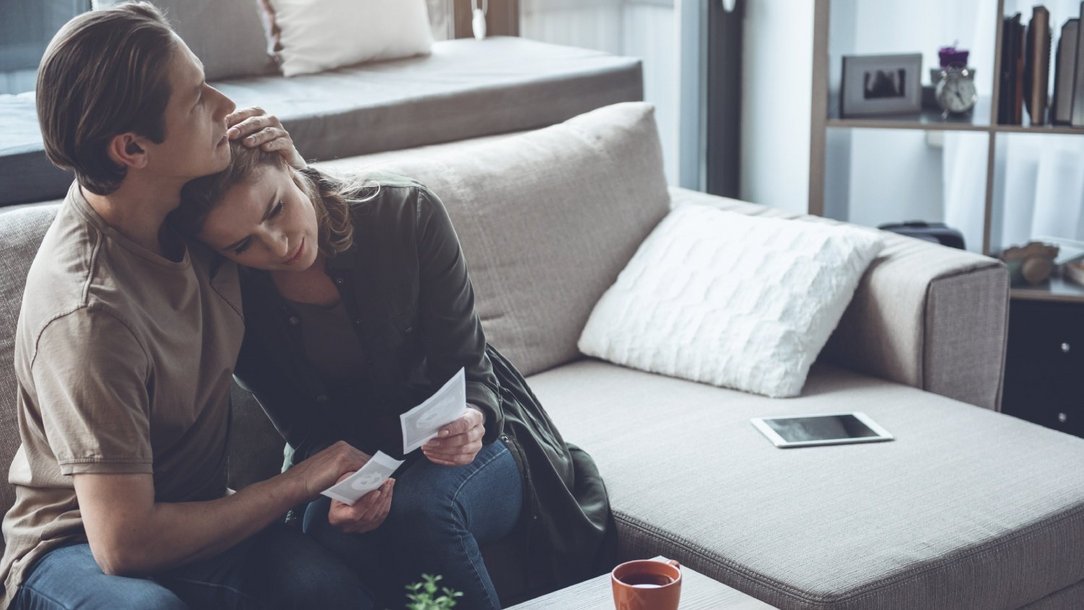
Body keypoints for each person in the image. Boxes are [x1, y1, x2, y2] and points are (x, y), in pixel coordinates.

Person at [0, 3, 383, 608]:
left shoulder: (199, 213)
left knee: (334, 590)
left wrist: (295, 175)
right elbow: (122, 545)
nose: (225, 106)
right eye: (194, 99)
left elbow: (341, 273)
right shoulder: (89, 311)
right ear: (131, 149)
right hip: (71, 549)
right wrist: (302, 480)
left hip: (197, 521)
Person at [171, 139, 617, 608]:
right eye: (244, 244)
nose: (277, 244)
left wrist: (470, 419)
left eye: (276, 209)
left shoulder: (403, 212)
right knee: (325, 540)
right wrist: (340, 497)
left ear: (288, 163)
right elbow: (305, 431)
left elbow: (472, 374)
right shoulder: (233, 298)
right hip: (354, 456)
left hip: (480, 431)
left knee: (423, 509)